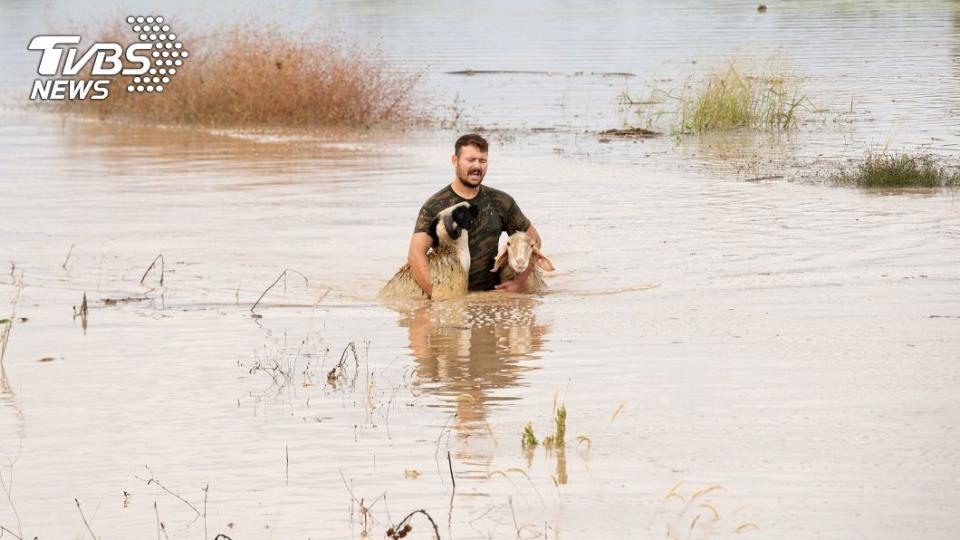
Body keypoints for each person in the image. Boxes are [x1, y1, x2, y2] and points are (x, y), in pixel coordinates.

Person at [407, 133, 542, 298]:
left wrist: (519, 283)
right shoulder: (436, 205)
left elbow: (533, 240)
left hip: (490, 293)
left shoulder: (501, 201)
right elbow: (416, 254)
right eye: (471, 160)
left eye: (482, 161)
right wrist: (438, 297)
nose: (477, 166)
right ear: (455, 161)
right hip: (452, 292)